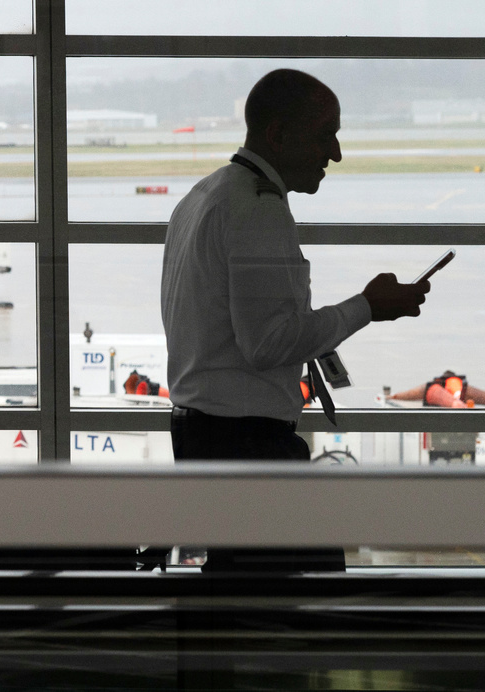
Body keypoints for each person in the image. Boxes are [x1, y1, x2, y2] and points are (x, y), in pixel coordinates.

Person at [160, 69, 430, 572]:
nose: (336, 152)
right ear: (278, 135)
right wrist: (368, 307)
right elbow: (268, 344)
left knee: (243, 600)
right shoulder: (257, 210)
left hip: (206, 435)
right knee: (306, 593)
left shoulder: (203, 196)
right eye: (326, 133)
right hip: (247, 444)